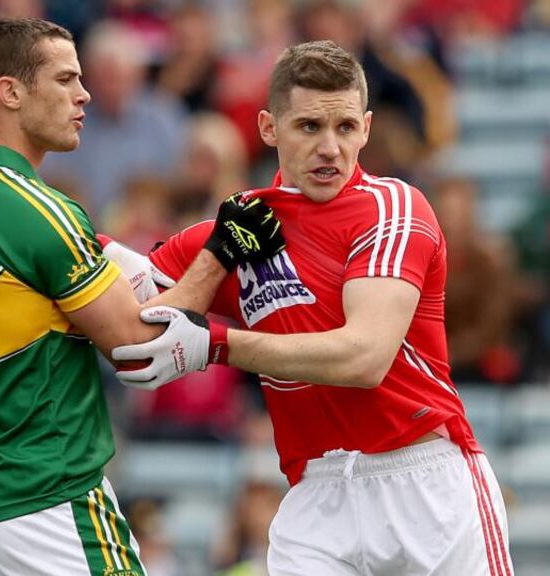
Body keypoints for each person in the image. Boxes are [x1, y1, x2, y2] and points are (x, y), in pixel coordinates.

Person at [108, 40, 513, 575]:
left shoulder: (393, 206)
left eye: (345, 128)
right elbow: (140, 348)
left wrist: (214, 344)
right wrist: (215, 261)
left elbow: (364, 358)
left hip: (424, 481)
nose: (330, 147)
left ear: (366, 129)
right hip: (316, 494)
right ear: (269, 128)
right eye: (308, 127)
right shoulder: (236, 229)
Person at [0, 17, 281, 576]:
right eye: (64, 79)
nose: (83, 93)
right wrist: (222, 249)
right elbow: (139, 347)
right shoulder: (37, 206)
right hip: (46, 501)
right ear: (9, 92)